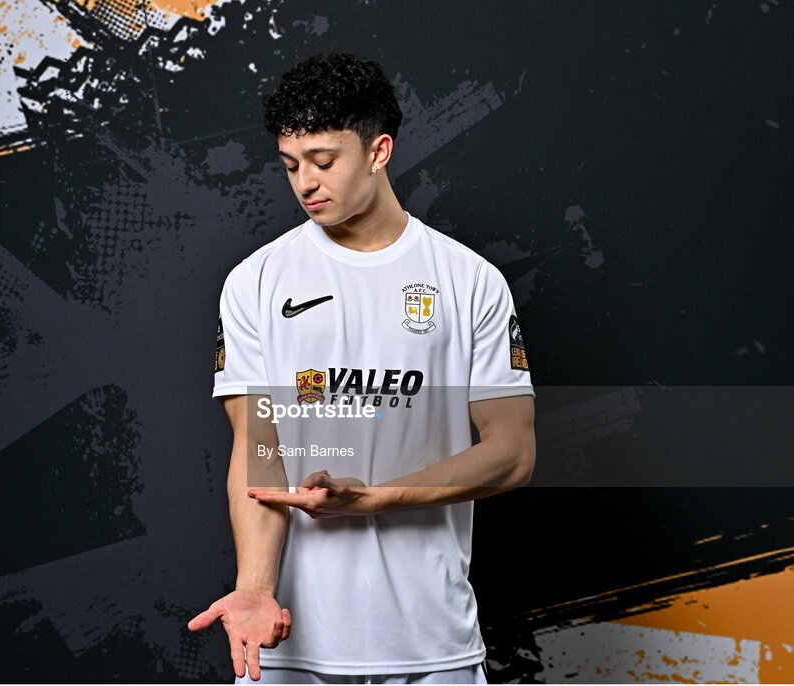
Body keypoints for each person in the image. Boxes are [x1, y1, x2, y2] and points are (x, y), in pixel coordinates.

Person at [188, 52, 536, 685]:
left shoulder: (470, 281)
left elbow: (512, 453)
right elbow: (259, 449)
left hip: (430, 644)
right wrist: (255, 588)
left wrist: (372, 500)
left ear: (379, 151)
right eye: (290, 165)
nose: (305, 183)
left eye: (323, 161)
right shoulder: (254, 281)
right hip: (288, 644)